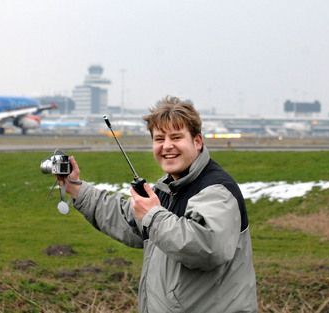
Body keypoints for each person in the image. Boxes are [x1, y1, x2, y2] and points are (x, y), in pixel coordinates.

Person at [57, 96, 258, 313]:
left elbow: (206, 247)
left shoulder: (216, 190)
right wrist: (75, 187)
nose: (167, 146)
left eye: (176, 137)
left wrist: (152, 215)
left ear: (197, 141)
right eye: (159, 139)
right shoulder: (169, 189)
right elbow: (129, 220)